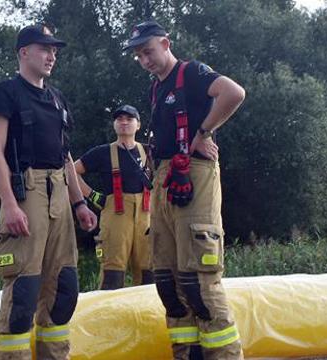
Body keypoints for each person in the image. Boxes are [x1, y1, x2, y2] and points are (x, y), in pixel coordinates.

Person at [123, 20, 246, 359]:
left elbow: (233, 93)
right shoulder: (157, 87)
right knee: (167, 279)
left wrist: (203, 133)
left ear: (166, 43)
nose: (144, 60)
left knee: (198, 278)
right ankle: (187, 354)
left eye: (148, 51)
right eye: (139, 55)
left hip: (193, 173)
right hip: (164, 177)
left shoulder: (191, 73)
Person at [0, 24, 97, 360]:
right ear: (23, 52)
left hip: (60, 192)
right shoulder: (5, 93)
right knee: (24, 291)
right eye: (44, 49)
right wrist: (10, 205)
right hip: (26, 190)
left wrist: (80, 203)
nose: (51, 56)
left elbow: (65, 158)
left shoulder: (57, 98)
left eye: (55, 51)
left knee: (64, 289)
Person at [74, 104, 154, 290]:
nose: (124, 122)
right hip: (115, 216)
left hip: (147, 217)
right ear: (114, 125)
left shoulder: (150, 152)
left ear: (138, 125)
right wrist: (92, 196)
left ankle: (145, 317)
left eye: (129, 119)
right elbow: (72, 171)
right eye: (119, 119)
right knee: (113, 273)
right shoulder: (102, 153)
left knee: (148, 273)